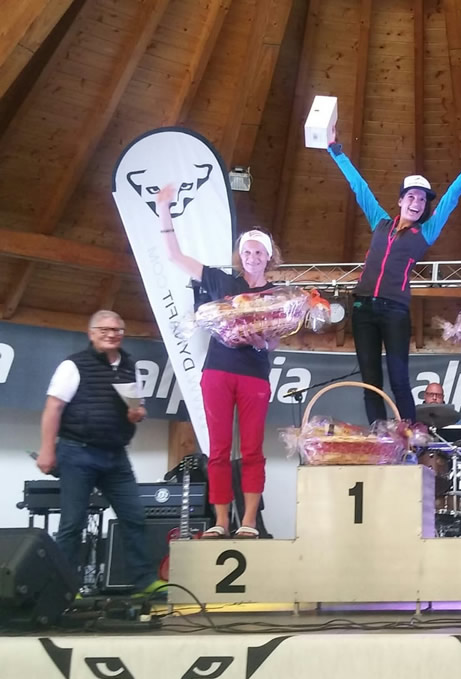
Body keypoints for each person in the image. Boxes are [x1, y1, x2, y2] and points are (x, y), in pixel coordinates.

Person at [325, 126, 461, 424]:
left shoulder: (426, 232)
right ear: (401, 200)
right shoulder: (380, 222)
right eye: (412, 197)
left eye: (422, 200)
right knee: (370, 381)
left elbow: (451, 197)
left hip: (395, 312)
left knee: (400, 379)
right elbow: (359, 186)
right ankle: (379, 434)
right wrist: (334, 149)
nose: (417, 204)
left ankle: (408, 438)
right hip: (363, 309)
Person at [156, 185, 281, 539]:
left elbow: (273, 341)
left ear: (268, 257)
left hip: (254, 376)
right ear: (240, 255)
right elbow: (174, 255)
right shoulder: (220, 280)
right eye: (247, 251)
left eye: (259, 252)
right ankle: (221, 521)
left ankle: (249, 522)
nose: (252, 257)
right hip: (218, 373)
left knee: (253, 450)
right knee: (218, 450)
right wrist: (163, 208)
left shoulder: (276, 295)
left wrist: (260, 341)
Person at [37, 310, 165, 596]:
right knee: (72, 524)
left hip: (116, 456)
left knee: (134, 517)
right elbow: (53, 408)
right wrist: (47, 450)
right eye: (104, 329)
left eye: (117, 330)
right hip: (77, 452)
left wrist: (138, 413)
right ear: (91, 333)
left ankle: (144, 582)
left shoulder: (130, 366)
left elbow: (137, 407)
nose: (111, 334)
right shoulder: (73, 365)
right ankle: (63, 589)